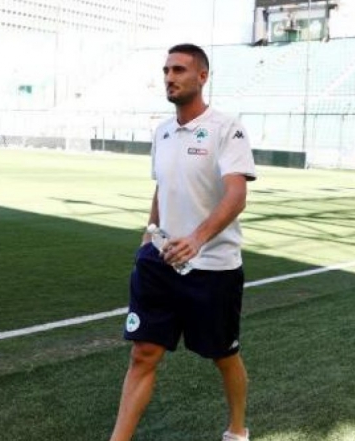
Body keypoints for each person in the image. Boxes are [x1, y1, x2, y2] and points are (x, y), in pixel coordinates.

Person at [111, 43, 256, 441]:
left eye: (178, 70)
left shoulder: (227, 129)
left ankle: (237, 430)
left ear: (202, 76)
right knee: (143, 354)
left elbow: (236, 195)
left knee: (223, 354)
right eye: (166, 71)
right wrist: (149, 234)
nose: (169, 78)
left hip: (212, 268)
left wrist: (197, 239)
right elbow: (164, 187)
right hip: (160, 263)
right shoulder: (162, 131)